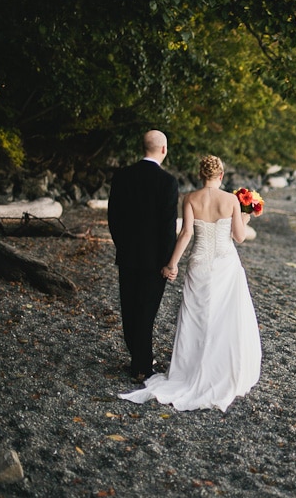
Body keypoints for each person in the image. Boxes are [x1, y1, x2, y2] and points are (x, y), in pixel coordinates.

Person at [119, 155, 261, 411]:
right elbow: (239, 237)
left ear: (200, 175)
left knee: (197, 316)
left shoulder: (190, 199)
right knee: (223, 317)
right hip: (225, 264)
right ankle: (220, 368)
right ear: (221, 176)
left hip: (198, 262)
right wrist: (247, 217)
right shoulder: (230, 200)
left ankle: (190, 369)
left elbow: (186, 234)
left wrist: (172, 264)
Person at [108, 130, 179, 383]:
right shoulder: (168, 182)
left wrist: (122, 245)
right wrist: (168, 262)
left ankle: (138, 358)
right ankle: (141, 367)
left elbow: (113, 218)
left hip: (127, 255)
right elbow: (167, 227)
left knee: (129, 309)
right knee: (146, 311)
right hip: (154, 260)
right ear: (163, 150)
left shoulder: (122, 176)